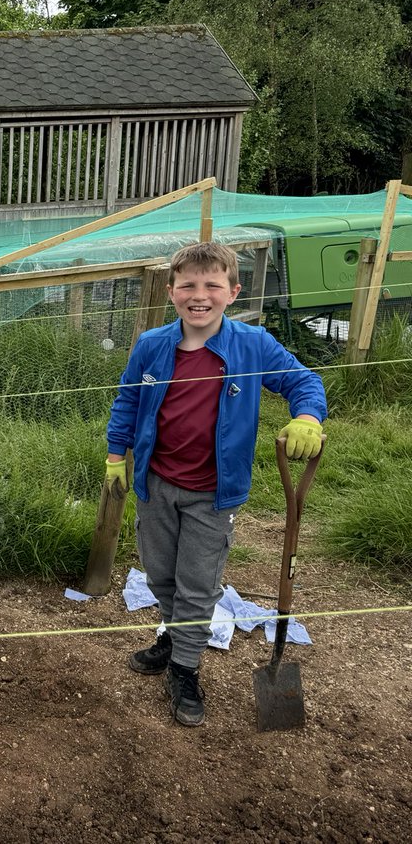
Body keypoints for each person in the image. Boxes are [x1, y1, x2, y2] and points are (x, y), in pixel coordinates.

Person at [105, 241, 326, 727]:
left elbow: (303, 381)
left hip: (212, 493)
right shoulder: (151, 346)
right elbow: (126, 402)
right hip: (156, 484)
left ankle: (185, 667)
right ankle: (171, 635)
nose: (198, 295)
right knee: (160, 573)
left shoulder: (252, 345)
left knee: (198, 582)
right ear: (171, 292)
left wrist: (307, 417)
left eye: (212, 285)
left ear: (233, 291)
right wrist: (115, 455)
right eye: (188, 285)